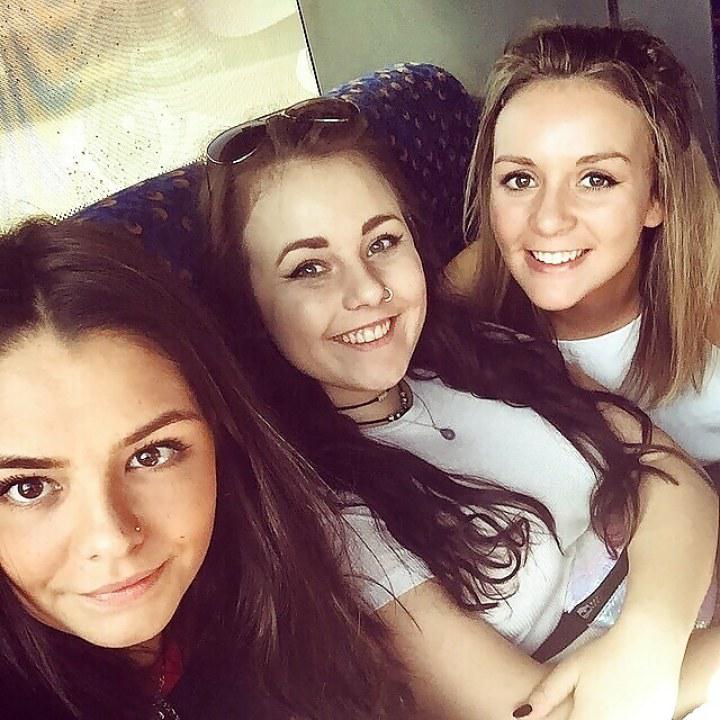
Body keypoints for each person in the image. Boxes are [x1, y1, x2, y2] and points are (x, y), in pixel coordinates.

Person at [200, 97, 720, 720]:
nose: (368, 290)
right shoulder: (320, 517)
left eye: (382, 242)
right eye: (310, 268)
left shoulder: (478, 350)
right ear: (249, 303)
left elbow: (670, 472)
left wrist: (648, 639)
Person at [0, 218, 411, 720]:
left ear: (221, 438)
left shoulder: (280, 589)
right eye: (28, 487)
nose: (112, 538)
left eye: (151, 455)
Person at [448, 23, 720, 477]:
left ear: (657, 197)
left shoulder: (710, 285)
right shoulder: (460, 296)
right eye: (520, 179)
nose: (548, 220)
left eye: (596, 179)